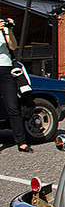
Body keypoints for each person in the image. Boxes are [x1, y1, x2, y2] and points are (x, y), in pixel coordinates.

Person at [0, 18, 33, 152]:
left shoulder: (4, 29)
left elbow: (13, 46)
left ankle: (21, 142)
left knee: (12, 107)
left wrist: (8, 31)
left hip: (6, 70)